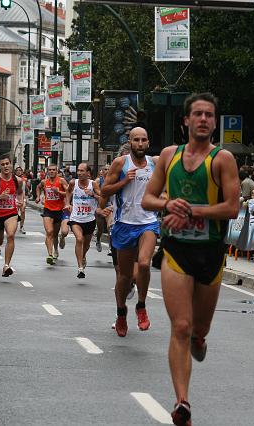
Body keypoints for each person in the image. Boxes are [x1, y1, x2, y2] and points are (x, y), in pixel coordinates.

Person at [141, 93, 240, 426]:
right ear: (186, 121)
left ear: (214, 122)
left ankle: (201, 336)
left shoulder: (223, 159)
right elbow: (148, 199)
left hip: (210, 252)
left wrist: (190, 210)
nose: (203, 119)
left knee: (199, 327)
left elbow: (232, 208)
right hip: (177, 251)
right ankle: (182, 401)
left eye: (209, 115)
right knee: (180, 326)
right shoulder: (169, 156)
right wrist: (168, 205)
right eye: (197, 114)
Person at [101, 127, 159, 337]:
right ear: (130, 142)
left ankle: (141, 306)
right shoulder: (121, 163)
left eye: (144, 139)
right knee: (124, 277)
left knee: (144, 263)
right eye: (136, 140)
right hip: (124, 223)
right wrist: (125, 181)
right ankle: (121, 313)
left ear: (148, 142)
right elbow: (104, 191)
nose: (140, 143)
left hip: (148, 222)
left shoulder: (155, 163)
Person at [65, 163, 100, 278]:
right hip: (76, 218)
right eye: (78, 171)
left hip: (90, 219)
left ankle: (83, 255)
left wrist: (93, 194)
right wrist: (68, 203)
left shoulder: (93, 184)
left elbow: (102, 197)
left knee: (86, 244)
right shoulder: (73, 183)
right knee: (79, 239)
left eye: (82, 171)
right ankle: (80, 267)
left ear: (88, 173)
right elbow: (68, 191)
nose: (79, 173)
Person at [38, 164, 67, 265]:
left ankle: (57, 248)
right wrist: (38, 197)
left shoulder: (61, 181)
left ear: (57, 171)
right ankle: (50, 255)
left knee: (55, 234)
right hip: (48, 210)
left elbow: (69, 193)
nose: (51, 171)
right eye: (50, 170)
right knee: (49, 232)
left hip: (59, 210)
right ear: (47, 171)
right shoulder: (44, 182)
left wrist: (58, 191)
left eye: (54, 170)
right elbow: (38, 187)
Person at [94, 165, 110, 252]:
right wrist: (101, 197)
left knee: (109, 227)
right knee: (100, 229)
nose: (107, 171)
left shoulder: (114, 180)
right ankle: (98, 240)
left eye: (109, 169)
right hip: (99, 206)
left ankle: (111, 248)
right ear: (102, 171)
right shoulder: (98, 180)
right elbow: (93, 194)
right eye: (105, 169)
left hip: (109, 206)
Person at [15, 167, 27, 234]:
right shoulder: (13, 179)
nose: (19, 171)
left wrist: (24, 199)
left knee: (22, 211)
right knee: (15, 213)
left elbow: (24, 190)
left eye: (20, 170)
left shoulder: (24, 180)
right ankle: (13, 226)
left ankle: (21, 226)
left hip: (22, 197)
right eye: (17, 170)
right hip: (15, 197)